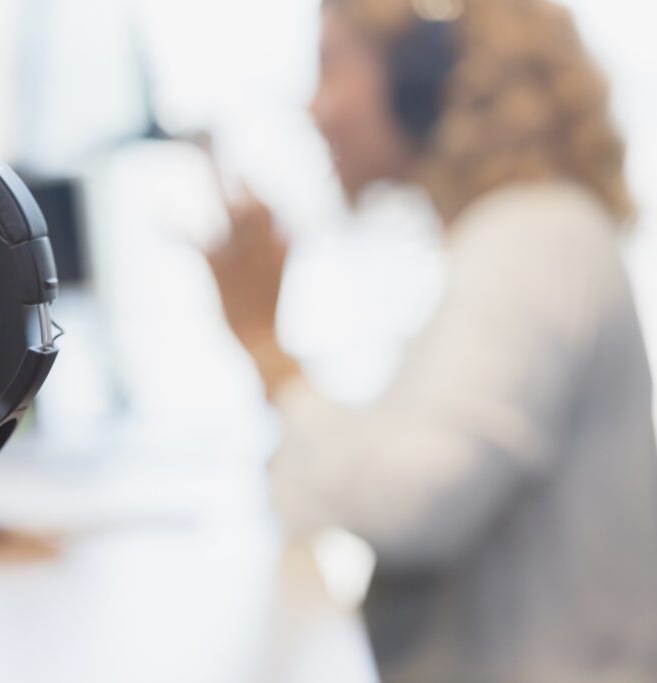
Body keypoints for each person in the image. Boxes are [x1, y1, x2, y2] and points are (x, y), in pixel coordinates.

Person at [203, 0, 657, 681]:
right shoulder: (510, 239)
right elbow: (346, 474)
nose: (315, 108)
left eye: (332, 65)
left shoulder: (534, 239)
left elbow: (416, 503)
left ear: (426, 75)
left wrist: (270, 353)